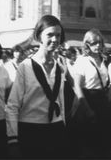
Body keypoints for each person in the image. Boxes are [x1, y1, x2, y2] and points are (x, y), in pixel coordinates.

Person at [5, 15, 68, 158]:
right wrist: (13, 140)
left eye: (58, 35)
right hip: (31, 130)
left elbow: (61, 101)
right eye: (50, 35)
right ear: (39, 36)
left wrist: (62, 126)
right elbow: (12, 106)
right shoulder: (25, 67)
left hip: (56, 129)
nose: (55, 39)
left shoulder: (60, 67)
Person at [72, 28, 110, 157]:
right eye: (94, 43)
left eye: (99, 42)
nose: (97, 45)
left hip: (102, 100)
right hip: (88, 99)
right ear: (87, 44)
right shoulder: (82, 60)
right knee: (88, 143)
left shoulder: (103, 59)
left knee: (102, 142)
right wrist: (87, 109)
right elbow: (77, 86)